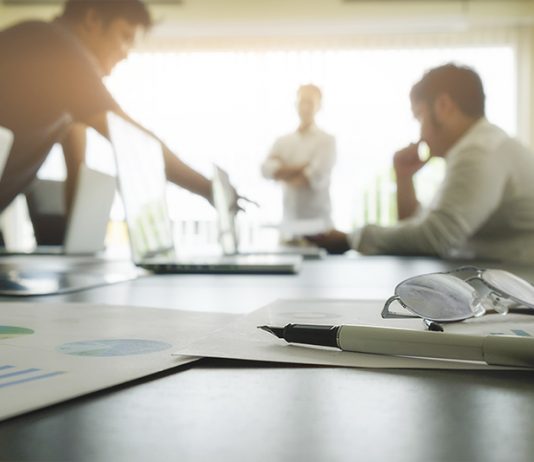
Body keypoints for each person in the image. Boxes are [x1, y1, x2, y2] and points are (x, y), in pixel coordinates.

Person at [0, 0, 216, 236]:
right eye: (124, 36)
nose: (125, 52)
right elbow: (130, 138)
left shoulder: (62, 84)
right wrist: (209, 189)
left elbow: (77, 167)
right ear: (92, 19)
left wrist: (77, 244)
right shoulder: (53, 45)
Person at [308, 63, 534, 263]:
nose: (421, 131)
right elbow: (423, 227)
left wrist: (352, 238)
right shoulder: (482, 145)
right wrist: (404, 178)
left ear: (443, 106)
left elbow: (435, 238)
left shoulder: (479, 152)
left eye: (419, 116)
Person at [261, 84, 336, 237]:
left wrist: (282, 170)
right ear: (296, 104)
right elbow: (265, 170)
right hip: (289, 227)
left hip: (319, 230)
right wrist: (302, 166)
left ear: (319, 106)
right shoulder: (283, 141)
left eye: (311, 102)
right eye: (302, 102)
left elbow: (306, 179)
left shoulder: (327, 141)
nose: (306, 107)